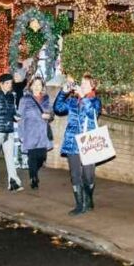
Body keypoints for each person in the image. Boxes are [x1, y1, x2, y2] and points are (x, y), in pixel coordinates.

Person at [54, 74, 102, 215]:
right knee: (75, 174)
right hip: (72, 142)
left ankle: (89, 199)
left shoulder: (95, 101)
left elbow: (92, 112)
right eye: (81, 83)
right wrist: (63, 91)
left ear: (93, 86)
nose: (82, 86)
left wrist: (84, 97)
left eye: (86, 84)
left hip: (89, 142)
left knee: (89, 175)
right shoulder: (73, 101)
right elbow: (58, 108)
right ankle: (80, 205)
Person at [18, 76, 52, 189]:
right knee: (32, 157)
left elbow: (51, 114)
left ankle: (33, 173)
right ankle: (33, 178)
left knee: (42, 157)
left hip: (42, 133)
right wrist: (21, 134)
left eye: (39, 84)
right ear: (31, 86)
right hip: (30, 132)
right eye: (35, 84)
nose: (37, 87)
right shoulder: (25, 99)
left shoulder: (46, 98)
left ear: (42, 87)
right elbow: (20, 118)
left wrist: (49, 116)